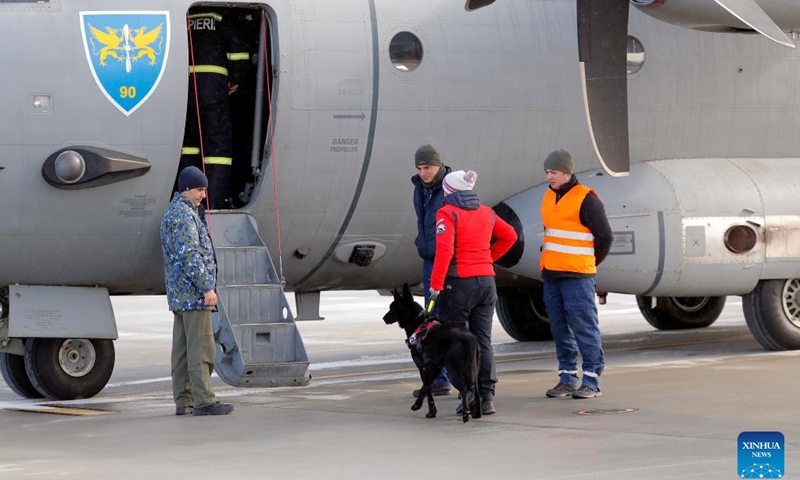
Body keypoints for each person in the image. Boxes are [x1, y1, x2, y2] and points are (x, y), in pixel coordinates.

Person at [429, 169, 518, 415]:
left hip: (459, 285)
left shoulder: (447, 213)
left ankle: (467, 394)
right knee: (483, 341)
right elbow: (509, 236)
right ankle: (487, 397)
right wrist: (488, 259)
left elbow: (444, 251)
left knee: (456, 342)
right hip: (486, 283)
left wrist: (436, 283)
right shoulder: (487, 212)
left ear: (449, 191)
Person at [539, 149, 613, 399]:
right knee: (560, 329)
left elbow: (605, 236)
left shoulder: (586, 199)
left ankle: (591, 381)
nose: (550, 177)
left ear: (568, 172)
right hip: (552, 275)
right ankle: (567, 378)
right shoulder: (548, 197)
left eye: (554, 172)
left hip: (578, 277)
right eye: (547, 172)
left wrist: (590, 263)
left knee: (584, 328)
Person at [160, 166, 234, 416]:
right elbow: (190, 254)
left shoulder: (175, 213)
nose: (204, 194)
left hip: (181, 296)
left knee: (181, 353)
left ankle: (184, 401)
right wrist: (206, 287)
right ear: (187, 189)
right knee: (201, 350)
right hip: (193, 295)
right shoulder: (184, 216)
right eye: (200, 189)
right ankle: (204, 401)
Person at [180, 9, 251, 209]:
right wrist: (237, 78)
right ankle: (214, 201)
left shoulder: (183, 17)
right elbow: (239, 52)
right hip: (213, 92)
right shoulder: (218, 17)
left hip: (185, 94)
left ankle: (187, 199)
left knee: (188, 148)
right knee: (217, 150)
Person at [411, 144, 453, 397]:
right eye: (419, 168)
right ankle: (439, 379)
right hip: (430, 260)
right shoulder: (419, 188)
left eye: (427, 167)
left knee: (455, 319)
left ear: (438, 165)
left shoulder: (450, 188)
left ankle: (465, 378)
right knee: (433, 319)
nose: (423, 172)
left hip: (447, 261)